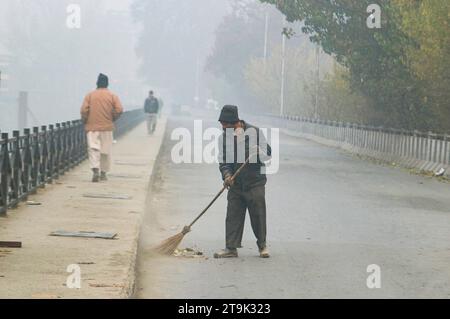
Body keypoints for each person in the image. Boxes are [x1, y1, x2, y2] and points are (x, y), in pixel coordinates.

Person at [215, 105, 272, 259]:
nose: (223, 128)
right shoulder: (223, 139)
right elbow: (223, 161)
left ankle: (262, 246)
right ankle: (231, 248)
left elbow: (268, 154)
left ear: (235, 122)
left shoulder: (254, 132)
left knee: (258, 215)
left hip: (255, 183)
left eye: (226, 125)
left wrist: (259, 152)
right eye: (222, 125)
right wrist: (227, 175)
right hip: (236, 184)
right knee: (233, 215)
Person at [80, 73, 123, 183]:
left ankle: (95, 170)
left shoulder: (90, 95)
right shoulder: (113, 96)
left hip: (92, 127)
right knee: (106, 150)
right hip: (107, 127)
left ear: (97, 83)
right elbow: (119, 109)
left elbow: (84, 110)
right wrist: (112, 118)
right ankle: (103, 173)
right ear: (107, 84)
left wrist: (85, 120)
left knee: (94, 149)